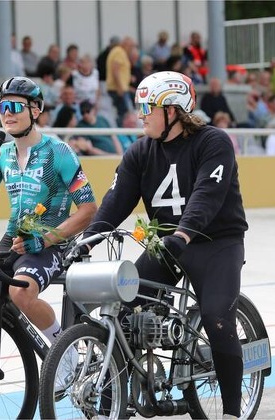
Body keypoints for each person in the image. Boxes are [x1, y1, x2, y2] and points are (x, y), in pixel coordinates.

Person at [82, 71, 248, 419]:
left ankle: (232, 412)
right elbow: (115, 202)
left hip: (216, 242)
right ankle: (112, 403)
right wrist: (85, 242)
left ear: (173, 111)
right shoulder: (140, 151)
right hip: (167, 245)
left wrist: (183, 235)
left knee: (217, 318)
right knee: (122, 310)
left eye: (147, 108)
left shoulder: (213, 142)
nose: (140, 114)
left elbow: (205, 196)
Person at [0, 76, 97, 412]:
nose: (7, 114)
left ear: (36, 110)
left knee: (20, 292)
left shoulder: (59, 152)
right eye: (2, 107)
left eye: (14, 106)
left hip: (52, 240)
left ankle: (65, 351)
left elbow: (88, 210)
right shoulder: (3, 155)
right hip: (11, 241)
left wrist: (45, 239)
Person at [106, 36, 136, 127]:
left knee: (123, 112)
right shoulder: (119, 52)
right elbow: (115, 69)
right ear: (125, 45)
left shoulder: (119, 52)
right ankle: (121, 132)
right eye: (131, 47)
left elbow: (120, 71)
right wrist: (120, 87)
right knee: (123, 114)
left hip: (121, 88)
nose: (131, 50)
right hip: (118, 89)